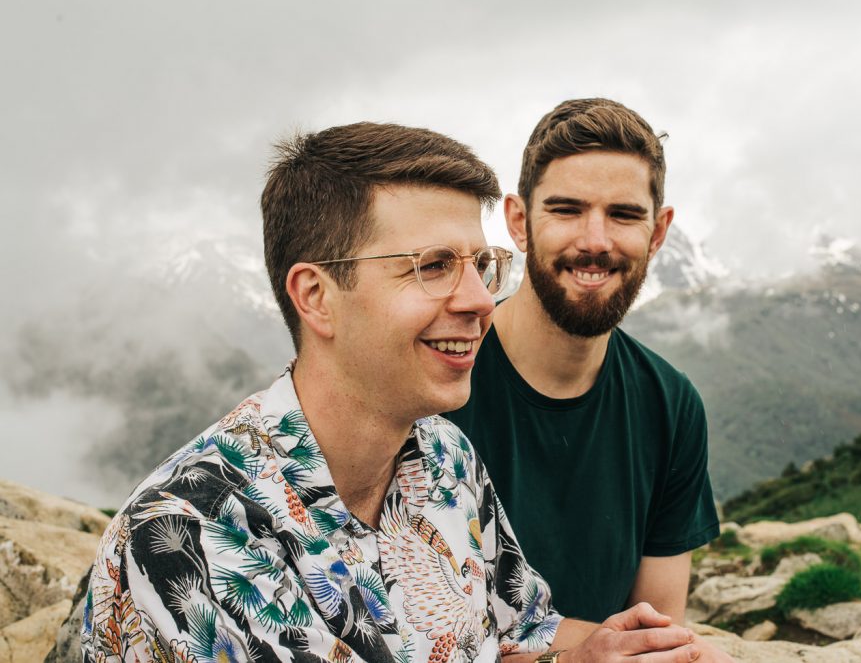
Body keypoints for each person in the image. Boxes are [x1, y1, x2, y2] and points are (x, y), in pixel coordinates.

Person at [81, 122, 704, 662]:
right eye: (433, 267)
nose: (481, 301)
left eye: (480, 266)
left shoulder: (445, 458)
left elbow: (518, 631)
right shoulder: (189, 533)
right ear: (316, 297)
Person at [446, 99, 721, 625]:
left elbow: (656, 627)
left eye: (623, 214)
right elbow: (423, 627)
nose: (595, 241)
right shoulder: (440, 383)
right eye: (567, 210)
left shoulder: (671, 405)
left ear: (658, 233)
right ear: (519, 223)